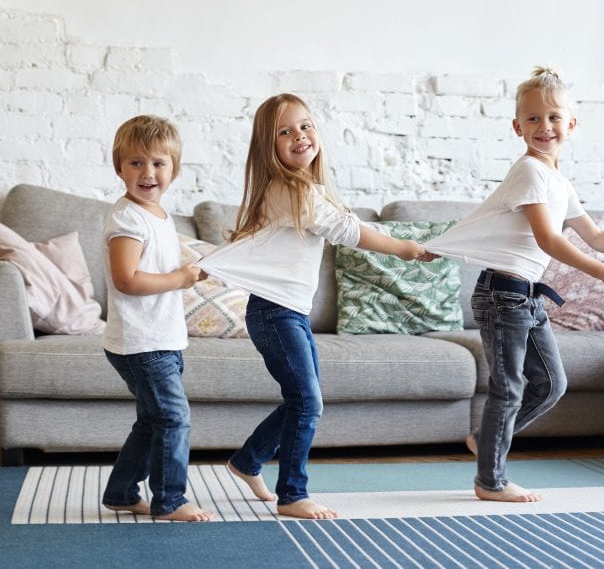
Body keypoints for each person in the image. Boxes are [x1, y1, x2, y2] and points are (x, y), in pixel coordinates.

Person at [424, 66, 604, 503]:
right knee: (508, 386)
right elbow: (548, 239)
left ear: (571, 124)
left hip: (526, 297)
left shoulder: (559, 182)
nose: (544, 127)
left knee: (551, 385)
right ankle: (489, 481)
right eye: (533, 119)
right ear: (517, 127)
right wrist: (602, 271)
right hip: (502, 294)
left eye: (553, 118)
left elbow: (592, 234)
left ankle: (487, 439)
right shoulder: (529, 173)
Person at [196, 94, 433, 519]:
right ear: (269, 148)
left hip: (290, 313)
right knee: (307, 401)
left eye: (304, 126)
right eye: (284, 132)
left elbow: (351, 222)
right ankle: (292, 494)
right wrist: (402, 249)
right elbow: (348, 231)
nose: (298, 136)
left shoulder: (309, 189)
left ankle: (248, 460)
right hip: (273, 313)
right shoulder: (287, 190)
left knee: (302, 399)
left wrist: (408, 245)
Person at [99, 114, 214, 522]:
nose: (148, 173)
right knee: (173, 417)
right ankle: (169, 500)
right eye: (136, 163)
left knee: (152, 421)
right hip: (141, 342)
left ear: (174, 170)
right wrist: (179, 278)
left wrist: (193, 268)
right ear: (119, 168)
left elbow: (160, 266)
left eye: (159, 163)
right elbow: (126, 279)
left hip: (162, 338)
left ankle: (121, 492)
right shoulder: (127, 219)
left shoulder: (159, 216)